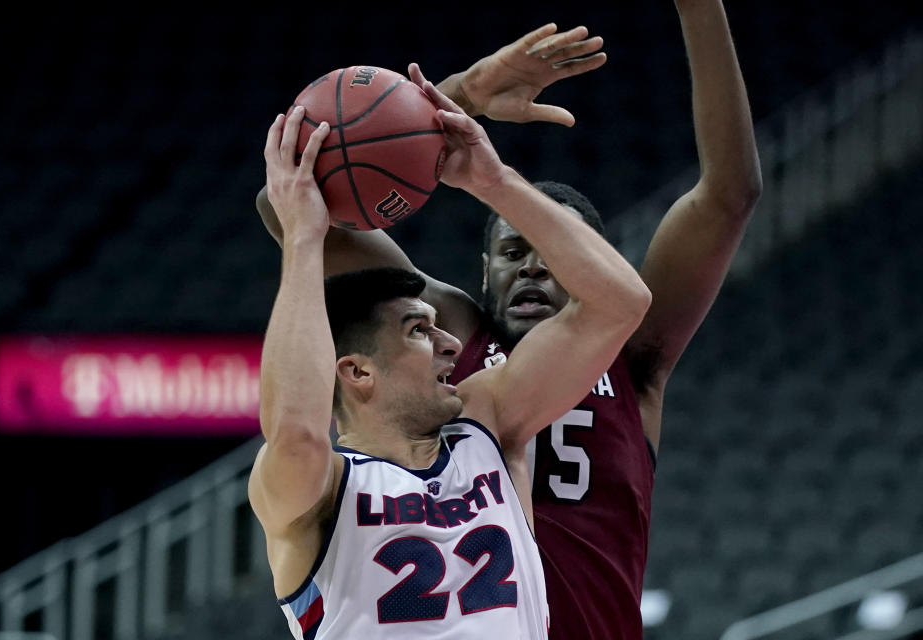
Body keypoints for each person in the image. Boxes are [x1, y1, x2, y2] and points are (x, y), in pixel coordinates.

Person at [257, 4, 762, 637]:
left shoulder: (620, 360)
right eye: (513, 252)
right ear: (482, 270)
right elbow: (295, 208)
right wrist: (450, 101)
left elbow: (728, 196)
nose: (532, 269)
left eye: (553, 253)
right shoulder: (453, 349)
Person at [248, 68, 651, 640]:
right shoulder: (319, 490)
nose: (453, 344)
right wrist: (304, 238)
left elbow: (621, 303)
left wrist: (495, 180)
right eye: (419, 330)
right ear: (358, 371)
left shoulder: (488, 426)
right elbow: (296, 432)